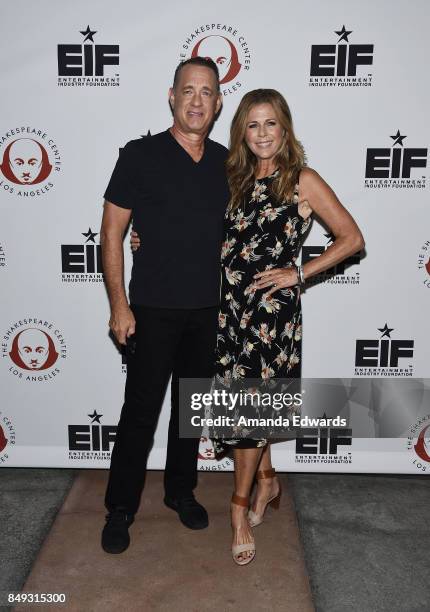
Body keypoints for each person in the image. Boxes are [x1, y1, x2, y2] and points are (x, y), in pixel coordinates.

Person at [132, 88, 365, 565]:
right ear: (242, 130)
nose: (262, 134)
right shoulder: (232, 177)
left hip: (270, 317)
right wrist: (145, 235)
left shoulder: (302, 179)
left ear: (285, 129)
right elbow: (191, 222)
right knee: (242, 406)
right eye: (253, 125)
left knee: (250, 413)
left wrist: (298, 273)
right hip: (225, 311)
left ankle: (238, 510)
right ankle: (266, 480)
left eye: (271, 124)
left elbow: (352, 237)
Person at [100, 56, 228, 554]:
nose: (197, 101)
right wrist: (119, 306)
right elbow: (113, 234)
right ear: (172, 97)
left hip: (208, 311)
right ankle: (120, 508)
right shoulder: (138, 155)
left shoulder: (226, 162)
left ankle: (181, 492)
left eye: (207, 92)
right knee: (139, 413)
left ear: (218, 104)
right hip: (151, 308)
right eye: (188, 90)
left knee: (189, 411)